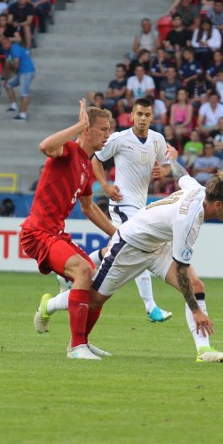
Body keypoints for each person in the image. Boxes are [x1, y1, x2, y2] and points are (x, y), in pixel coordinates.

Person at [43, 145, 223, 362]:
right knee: (94, 299)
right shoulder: (189, 221)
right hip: (130, 246)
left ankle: (204, 351)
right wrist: (197, 311)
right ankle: (49, 305)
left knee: (196, 286)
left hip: (158, 246)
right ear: (218, 205)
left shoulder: (199, 190)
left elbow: (182, 175)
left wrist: (172, 161)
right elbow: (180, 269)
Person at [58, 98, 174, 323]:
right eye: (139, 114)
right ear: (132, 114)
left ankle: (68, 275)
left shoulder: (157, 140)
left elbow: (167, 165)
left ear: (152, 117)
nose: (142, 119)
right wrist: (105, 185)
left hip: (141, 205)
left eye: (147, 115)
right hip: (122, 204)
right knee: (141, 247)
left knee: (115, 250)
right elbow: (96, 160)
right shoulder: (120, 138)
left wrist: (165, 171)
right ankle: (151, 307)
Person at [24, 101, 116, 360]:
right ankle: (76, 348)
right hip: (38, 232)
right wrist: (78, 125)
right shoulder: (70, 151)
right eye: (103, 129)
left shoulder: (87, 165)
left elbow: (89, 208)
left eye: (109, 130)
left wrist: (118, 234)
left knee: (96, 281)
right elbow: (45, 146)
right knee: (83, 270)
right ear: (87, 130)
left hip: (55, 233)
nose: (107, 135)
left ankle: (80, 339)